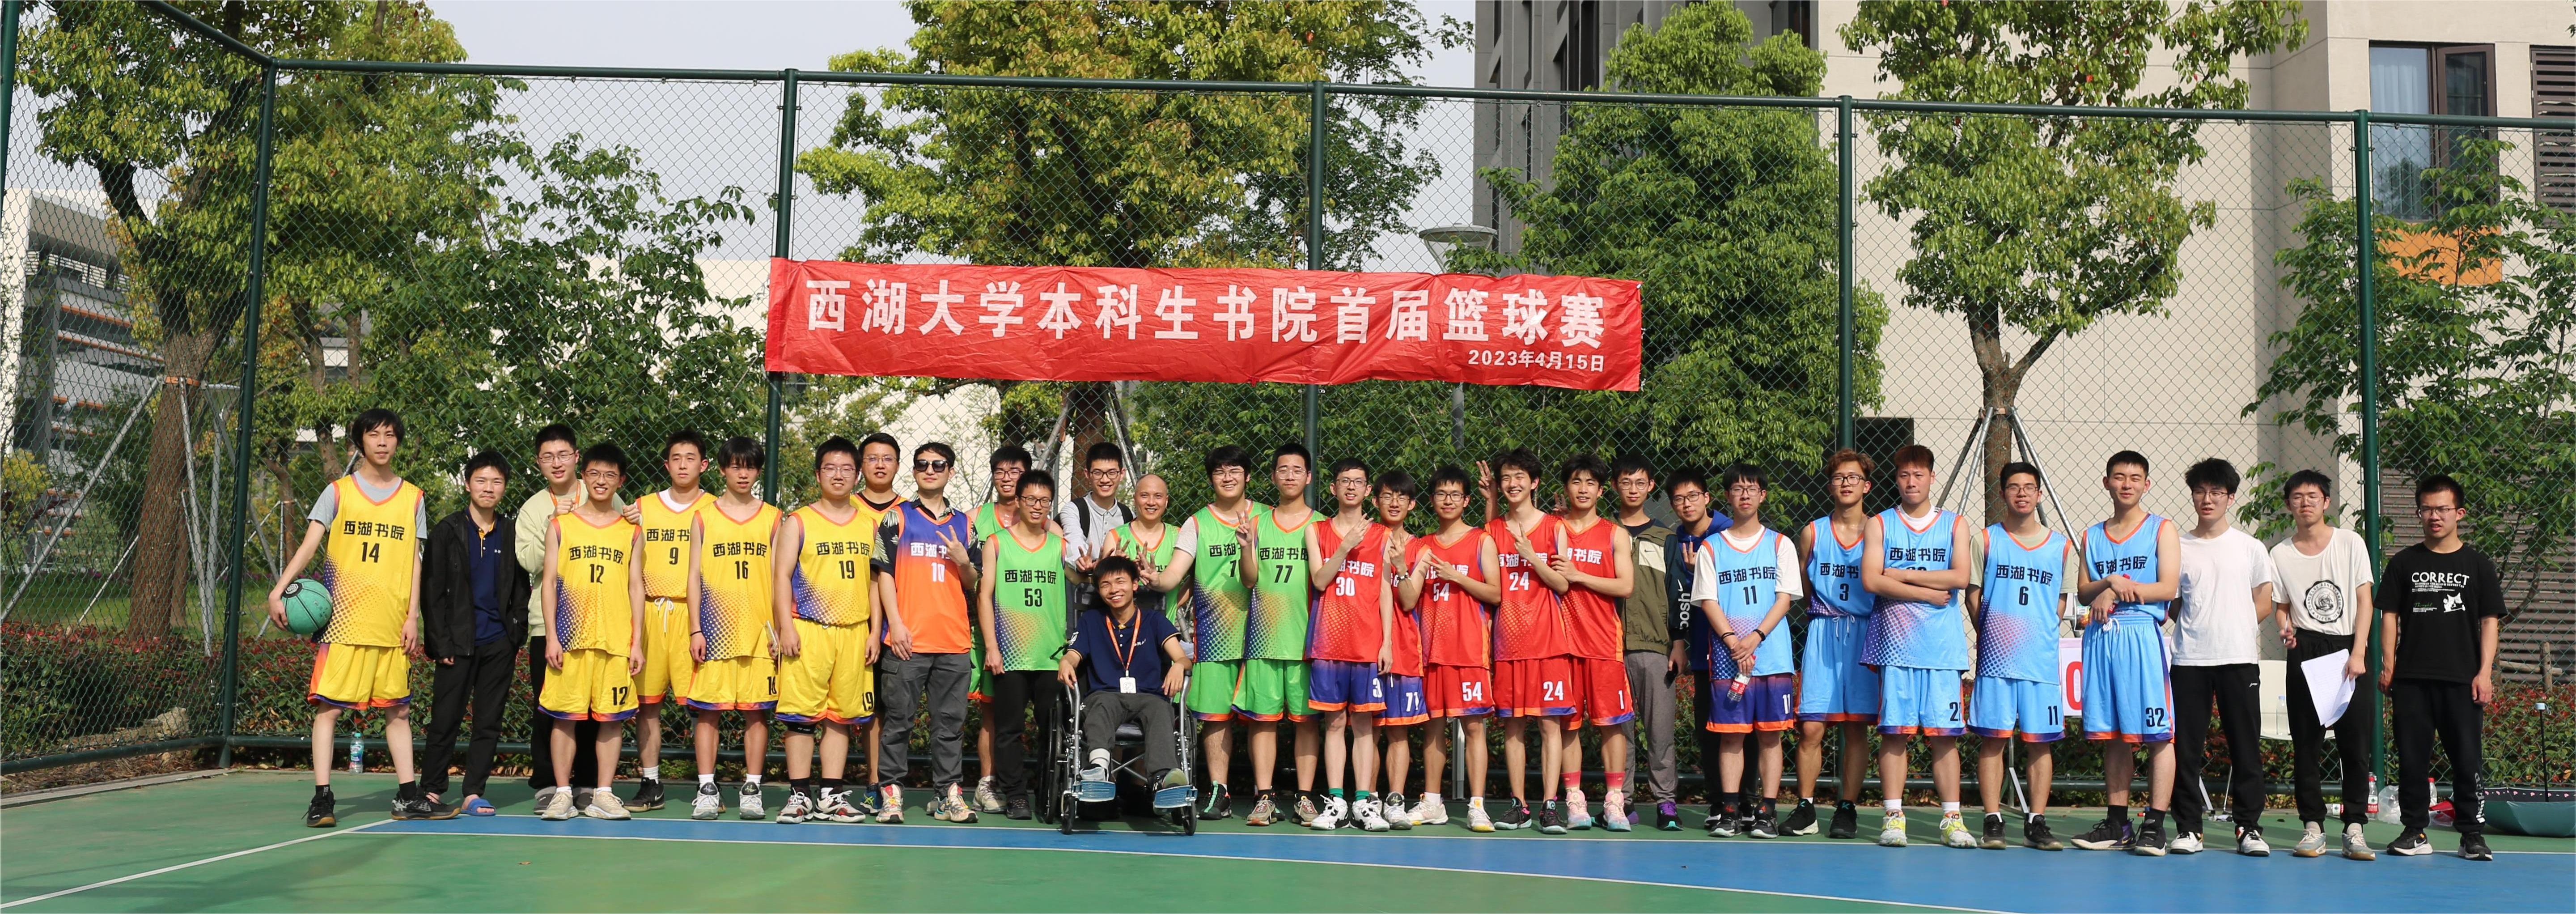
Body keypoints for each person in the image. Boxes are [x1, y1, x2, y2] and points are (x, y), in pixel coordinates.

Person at [268, 408, 446, 826]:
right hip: (344, 624)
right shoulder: (338, 492)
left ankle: (407, 796)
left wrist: (412, 617)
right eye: (374, 435)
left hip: (390, 624)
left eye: (390, 435)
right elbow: (310, 545)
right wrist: (279, 588)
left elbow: (416, 563)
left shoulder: (414, 497)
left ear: (398, 442)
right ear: (360, 442)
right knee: (329, 710)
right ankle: (322, 798)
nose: (383, 442)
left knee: (398, 711)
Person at [2378, 473, 2503, 862]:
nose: (2434, 516)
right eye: (2427, 509)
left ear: (2459, 513)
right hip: (2412, 679)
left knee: (2467, 758)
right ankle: (2415, 831)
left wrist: (2484, 672)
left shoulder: (2478, 564)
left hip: (2462, 680)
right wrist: (2388, 665)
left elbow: (2489, 623)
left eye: (2442, 509)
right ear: (2419, 513)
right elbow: (2390, 617)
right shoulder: (2404, 562)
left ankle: (2472, 835)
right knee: (2412, 758)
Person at [1860, 444, 1976, 849]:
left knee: (1945, 736)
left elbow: (1960, 576)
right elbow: (1872, 581)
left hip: (1942, 650)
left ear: (1931, 478)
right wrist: (1927, 591)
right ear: (1897, 479)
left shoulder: (1955, 524)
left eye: (1919, 475)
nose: (1911, 482)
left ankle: (1952, 817)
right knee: (1895, 733)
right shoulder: (1880, 524)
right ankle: (1894, 815)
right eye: (1904, 475)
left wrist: (1901, 574)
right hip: (1896, 647)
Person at [2072, 450, 2182, 856]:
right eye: (2119, 477)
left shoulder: (2161, 529)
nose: (2127, 484)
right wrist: (2106, 584)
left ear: (2147, 484)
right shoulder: (2093, 534)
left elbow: (2167, 587)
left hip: (2139, 634)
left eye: (2136, 478)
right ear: (2107, 483)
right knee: (2114, 735)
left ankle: (2154, 823)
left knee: (2157, 734)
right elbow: (2083, 590)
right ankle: (2118, 823)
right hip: (2102, 637)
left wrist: (2115, 587)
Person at [2267, 469, 2379, 860]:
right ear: (2289, 505)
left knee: (2355, 745)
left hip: (2349, 649)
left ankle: (2355, 828)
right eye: (2297, 496)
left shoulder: (2351, 543)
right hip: (2305, 652)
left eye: (2313, 495)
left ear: (2326, 502)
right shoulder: (2279, 553)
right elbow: (2281, 608)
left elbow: (2365, 600)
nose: (2305, 502)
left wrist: (2360, 652)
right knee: (2306, 745)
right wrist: (2285, 629)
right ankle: (2312, 826)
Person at [532, 443, 648, 821]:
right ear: (584, 476)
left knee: (611, 719)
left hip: (614, 640)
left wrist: (636, 642)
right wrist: (552, 636)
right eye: (595, 473)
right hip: (570, 638)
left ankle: (604, 793)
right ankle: (563, 793)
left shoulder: (631, 531)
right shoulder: (560, 524)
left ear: (621, 481)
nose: (601, 481)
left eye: (610, 475)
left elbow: (636, 587)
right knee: (565, 717)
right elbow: (549, 583)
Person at [1966, 462, 2076, 851]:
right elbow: (1973, 595)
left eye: (2030, 487)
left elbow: (2060, 604)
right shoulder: (1986, 540)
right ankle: (1993, 818)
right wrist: (1996, 634)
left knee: (2039, 742)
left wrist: (2034, 633)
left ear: (2040, 494)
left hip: (2040, 663)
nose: (2022, 494)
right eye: (2014, 487)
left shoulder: (2060, 546)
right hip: (1996, 661)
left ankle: (2037, 819)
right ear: (2003, 494)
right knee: (1993, 741)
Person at [515, 424, 627, 808]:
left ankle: (590, 786)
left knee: (598, 712)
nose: (557, 462)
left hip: (604, 624)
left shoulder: (605, 493)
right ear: (539, 463)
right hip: (551, 623)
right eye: (548, 456)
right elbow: (530, 563)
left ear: (577, 459)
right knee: (552, 708)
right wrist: (553, 524)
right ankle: (550, 786)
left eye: (564, 454)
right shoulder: (535, 508)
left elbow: (625, 544)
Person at [872, 442, 983, 824]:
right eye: (923, 465)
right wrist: (896, 623)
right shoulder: (896, 518)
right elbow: (883, 574)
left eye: (938, 465)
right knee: (898, 722)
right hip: (908, 640)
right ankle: (891, 794)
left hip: (953, 641)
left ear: (951, 471)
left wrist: (964, 561)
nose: (930, 470)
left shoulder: (966, 524)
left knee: (949, 726)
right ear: (915, 471)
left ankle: (948, 794)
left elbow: (973, 582)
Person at [2170, 458, 2276, 856]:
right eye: (2200, 491)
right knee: (2186, 749)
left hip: (2239, 659)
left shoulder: (2250, 547)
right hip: (2189, 660)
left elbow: (2263, 601)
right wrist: (2201, 622)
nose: (2207, 499)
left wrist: (2232, 624)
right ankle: (2189, 829)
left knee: (2246, 745)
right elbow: (2174, 604)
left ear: (2231, 497)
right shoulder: (2177, 546)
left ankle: (2249, 828)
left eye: (2217, 492)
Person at [771, 436, 880, 825]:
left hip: (853, 631)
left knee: (841, 717)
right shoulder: (799, 521)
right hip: (809, 629)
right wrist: (786, 626)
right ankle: (799, 795)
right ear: (818, 474)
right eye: (831, 468)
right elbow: (781, 577)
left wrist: (874, 630)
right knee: (801, 716)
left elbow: (874, 582)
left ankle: (831, 795)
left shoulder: (869, 525)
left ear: (857, 476)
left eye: (847, 469)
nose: (839, 475)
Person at [1148, 446, 1258, 820]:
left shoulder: (1267, 519)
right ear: (1211, 479)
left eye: (1235, 470)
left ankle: (1265, 796)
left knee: (1266, 719)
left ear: (1247, 476)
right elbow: (1172, 577)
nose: (1227, 477)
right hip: (1215, 637)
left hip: (1266, 633)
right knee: (1215, 717)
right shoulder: (1197, 523)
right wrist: (1155, 578)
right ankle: (1220, 791)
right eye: (1220, 472)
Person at [419, 451, 530, 818]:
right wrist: (440, 643)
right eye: (481, 481)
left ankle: (473, 792)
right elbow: (431, 593)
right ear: (468, 484)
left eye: (496, 482)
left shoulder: (512, 531)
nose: (489, 488)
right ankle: (432, 789)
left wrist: (515, 633)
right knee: (445, 718)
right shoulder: (447, 531)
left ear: (504, 488)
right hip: (457, 645)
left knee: (488, 720)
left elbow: (521, 588)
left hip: (499, 642)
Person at [1693, 463, 1800, 839]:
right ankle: (1729, 810)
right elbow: (1707, 600)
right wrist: (1731, 640)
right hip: (1729, 658)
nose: (1744, 494)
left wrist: (1754, 636)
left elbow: (1785, 599)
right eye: (1737, 488)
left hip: (1770, 657)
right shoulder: (1712, 547)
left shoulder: (1780, 544)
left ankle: (1767, 811)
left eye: (1751, 488)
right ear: (1727, 496)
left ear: (1762, 496)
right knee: (1731, 735)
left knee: (1771, 735)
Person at [682, 436, 780, 820]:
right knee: (709, 713)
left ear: (758, 471)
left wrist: (778, 629)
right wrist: (695, 628)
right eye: (736, 465)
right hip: (714, 629)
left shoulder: (773, 516)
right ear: (722, 469)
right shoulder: (704, 516)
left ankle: (752, 787)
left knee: (756, 714)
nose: (743, 473)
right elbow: (693, 576)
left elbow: (779, 576)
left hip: (759, 632)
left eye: (751, 466)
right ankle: (707, 786)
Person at [1402, 466, 1503, 832]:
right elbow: (1409, 598)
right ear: (1431, 500)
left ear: (1466, 500)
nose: (1448, 500)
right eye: (1441, 494)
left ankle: (1477, 804)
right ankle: (1433, 802)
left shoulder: (1481, 541)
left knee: (1474, 727)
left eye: (1455, 494)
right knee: (1432, 728)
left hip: (1469, 651)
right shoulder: (1421, 546)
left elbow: (1496, 593)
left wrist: (1458, 576)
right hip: (1429, 652)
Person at [1482, 449, 1576, 833]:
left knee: (1550, 726)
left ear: (1534, 482)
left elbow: (1563, 582)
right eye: (1506, 477)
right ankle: (1519, 805)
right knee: (1513, 726)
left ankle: (1551, 805)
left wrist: (1532, 556)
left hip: (1548, 641)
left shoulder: (1555, 527)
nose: (1513, 483)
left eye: (1520, 476)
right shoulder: (1492, 531)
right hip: (1507, 642)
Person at [1303, 458, 1396, 831]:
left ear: (1368, 490)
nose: (1352, 487)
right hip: (1328, 643)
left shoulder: (1383, 535)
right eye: (1345, 481)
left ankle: (1364, 803)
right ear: (1333, 488)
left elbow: (1387, 590)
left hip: (1367, 643)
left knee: (1363, 725)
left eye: (1359, 482)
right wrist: (1344, 547)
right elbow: (1321, 580)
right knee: (1334, 722)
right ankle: (1337, 801)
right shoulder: (1317, 531)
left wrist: (1388, 641)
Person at [978, 469, 1075, 821]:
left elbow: (1080, 574)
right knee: (1009, 730)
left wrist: (1089, 566)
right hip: (1012, 654)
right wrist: (992, 645)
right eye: (1031, 499)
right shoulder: (997, 543)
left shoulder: (1059, 545)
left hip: (1052, 657)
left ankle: (1048, 792)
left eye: (1045, 501)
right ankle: (1016, 795)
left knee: (1054, 730)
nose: (1037, 506)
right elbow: (984, 596)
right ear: (1018, 501)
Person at [628, 429, 714, 812]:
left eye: (690, 458)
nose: (683, 464)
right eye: (676, 458)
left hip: (696, 613)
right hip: (650, 610)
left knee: (704, 705)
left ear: (704, 465)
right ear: (667, 464)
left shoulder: (716, 507)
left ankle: (708, 785)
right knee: (648, 705)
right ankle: (651, 782)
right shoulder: (642, 507)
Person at [1552, 454, 1638, 831]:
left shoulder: (1615, 533)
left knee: (1611, 725)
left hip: (1604, 642)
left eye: (1590, 483)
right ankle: (1574, 799)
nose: (1583, 489)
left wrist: (1579, 575)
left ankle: (1615, 800)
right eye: (1576, 482)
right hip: (1561, 642)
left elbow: (1625, 585)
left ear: (1602, 491)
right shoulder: (1552, 529)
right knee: (1568, 725)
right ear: (1565, 488)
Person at [1060, 556, 1193, 801]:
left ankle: (1165, 777)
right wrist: (1066, 662)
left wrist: (1179, 665)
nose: (1113, 590)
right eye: (1105, 585)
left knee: (1161, 709)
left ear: (1134, 585)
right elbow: (1073, 655)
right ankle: (1099, 770)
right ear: (1099, 591)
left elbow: (1183, 659)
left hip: (1148, 696)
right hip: (1107, 695)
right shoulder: (1092, 621)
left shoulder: (1154, 621)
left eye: (1120, 582)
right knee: (1099, 705)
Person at [1790, 451, 1873, 839]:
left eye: (1853, 477)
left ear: (1866, 486)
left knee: (1856, 729)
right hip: (1824, 629)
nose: (1845, 483)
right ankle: (1806, 807)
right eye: (1839, 477)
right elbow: (1804, 589)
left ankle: (1847, 807)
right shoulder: (1813, 531)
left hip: (1864, 631)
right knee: (1811, 728)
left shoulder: (1880, 531)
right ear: (1830, 485)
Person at [1239, 443, 1322, 826]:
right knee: (1264, 720)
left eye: (1297, 470)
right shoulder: (1256, 523)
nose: (1290, 476)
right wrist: (1244, 550)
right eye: (1282, 469)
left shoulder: (1321, 526)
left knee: (1306, 721)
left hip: (1307, 639)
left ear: (1308, 477)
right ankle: (1265, 798)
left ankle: (1305, 798)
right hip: (1264, 638)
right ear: (1273, 476)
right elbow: (1249, 579)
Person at [1610, 457, 1681, 833]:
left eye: (1640, 482)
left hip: (1656, 646)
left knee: (1660, 730)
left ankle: (1666, 801)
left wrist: (1679, 642)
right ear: (1615, 487)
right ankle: (1621, 799)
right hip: (1611, 646)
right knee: (1620, 729)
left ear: (1651, 486)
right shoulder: (1603, 534)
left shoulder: (1667, 537)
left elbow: (1678, 594)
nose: (1634, 489)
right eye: (1626, 482)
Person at [967, 444, 1036, 814]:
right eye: (1001, 471)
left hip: (1032, 637)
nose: (1008, 478)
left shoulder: (1045, 523)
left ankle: (1027, 783)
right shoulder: (975, 518)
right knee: (991, 711)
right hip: (987, 630)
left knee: (1025, 714)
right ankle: (986, 782)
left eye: (1015, 471)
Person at [1664, 468, 1730, 832]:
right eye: (1679, 498)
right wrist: (1679, 640)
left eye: (1693, 496)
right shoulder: (1675, 539)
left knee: (1742, 728)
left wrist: (1699, 572)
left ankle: (1745, 802)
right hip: (1703, 651)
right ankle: (1718, 803)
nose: (1686, 504)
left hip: (1735, 646)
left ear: (1707, 498)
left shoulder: (1727, 534)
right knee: (1707, 727)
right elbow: (1679, 598)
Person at [1370, 472, 1428, 829]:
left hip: (1404, 649)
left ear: (1412, 504)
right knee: (1368, 728)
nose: (1394, 502)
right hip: (1363, 646)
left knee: (1398, 730)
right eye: (1387, 495)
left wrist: (1401, 565)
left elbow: (1408, 601)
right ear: (1375, 500)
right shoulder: (1362, 540)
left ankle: (1394, 799)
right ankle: (1369, 800)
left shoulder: (1421, 548)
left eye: (1401, 497)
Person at [852, 432, 904, 815]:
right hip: (852, 621)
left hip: (898, 624)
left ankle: (885, 783)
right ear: (861, 466)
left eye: (887, 458)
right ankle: (869, 781)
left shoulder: (908, 512)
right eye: (872, 458)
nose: (880, 464)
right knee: (861, 708)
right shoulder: (845, 508)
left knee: (891, 708)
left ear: (898, 465)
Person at [1059, 441, 1135, 595]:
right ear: (1087, 474)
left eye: (1112, 473)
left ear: (1122, 474)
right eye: (1098, 473)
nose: (1105, 480)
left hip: (1118, 596)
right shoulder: (1074, 510)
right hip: (1081, 594)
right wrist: (1082, 562)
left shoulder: (1129, 515)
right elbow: (1074, 544)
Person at [1102, 473, 1181, 620]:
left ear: (1166, 501)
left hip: (1163, 629)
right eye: (1144, 496)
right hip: (1123, 629)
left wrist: (1177, 602)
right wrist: (1118, 567)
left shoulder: (1178, 536)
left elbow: (1195, 577)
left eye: (1158, 496)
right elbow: (1105, 586)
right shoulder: (1116, 537)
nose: (1151, 502)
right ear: (1135, 499)